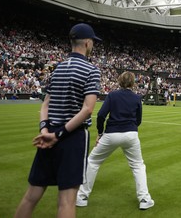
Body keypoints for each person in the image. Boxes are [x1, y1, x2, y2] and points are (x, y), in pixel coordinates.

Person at [14, 23, 102, 218]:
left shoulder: (57, 68)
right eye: (93, 42)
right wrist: (59, 134)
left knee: (31, 195)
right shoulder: (91, 70)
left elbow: (45, 105)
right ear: (87, 43)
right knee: (67, 201)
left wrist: (45, 131)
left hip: (48, 135)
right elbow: (88, 109)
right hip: (72, 137)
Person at [76, 71, 154, 210]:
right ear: (133, 83)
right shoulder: (136, 98)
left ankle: (82, 197)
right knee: (138, 166)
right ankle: (144, 198)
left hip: (111, 134)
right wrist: (130, 128)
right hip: (131, 134)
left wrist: (100, 133)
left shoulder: (112, 95)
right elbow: (138, 120)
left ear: (119, 81)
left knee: (92, 161)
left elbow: (101, 116)